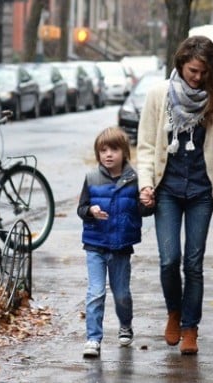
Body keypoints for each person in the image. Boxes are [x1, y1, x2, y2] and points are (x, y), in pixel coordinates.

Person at [136, 35, 213, 355]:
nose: (197, 77)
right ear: (180, 65)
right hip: (167, 188)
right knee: (169, 260)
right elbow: (147, 146)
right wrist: (145, 183)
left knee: (193, 262)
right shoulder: (158, 96)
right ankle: (174, 312)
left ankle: (190, 326)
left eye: (203, 72)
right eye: (193, 71)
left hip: (201, 192)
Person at [77, 127, 149, 358]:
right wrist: (91, 210)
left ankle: (125, 325)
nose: (108, 155)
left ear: (125, 152)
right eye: (103, 150)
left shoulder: (135, 179)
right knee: (96, 293)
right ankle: (93, 339)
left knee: (121, 294)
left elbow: (142, 210)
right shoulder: (91, 178)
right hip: (95, 245)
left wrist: (148, 202)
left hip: (121, 247)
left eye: (114, 149)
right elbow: (81, 208)